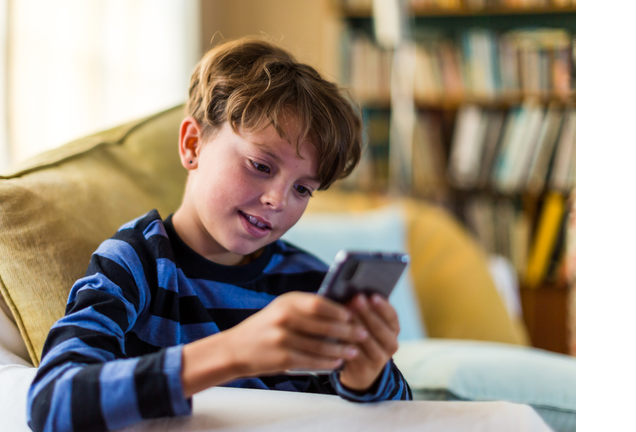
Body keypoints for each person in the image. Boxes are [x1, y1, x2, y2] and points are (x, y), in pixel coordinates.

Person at [27, 37, 411, 432]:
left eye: (303, 189)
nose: (278, 200)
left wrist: (366, 377)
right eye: (260, 165)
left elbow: (404, 415)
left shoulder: (308, 284)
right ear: (193, 144)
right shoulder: (137, 262)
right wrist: (234, 352)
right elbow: (51, 402)